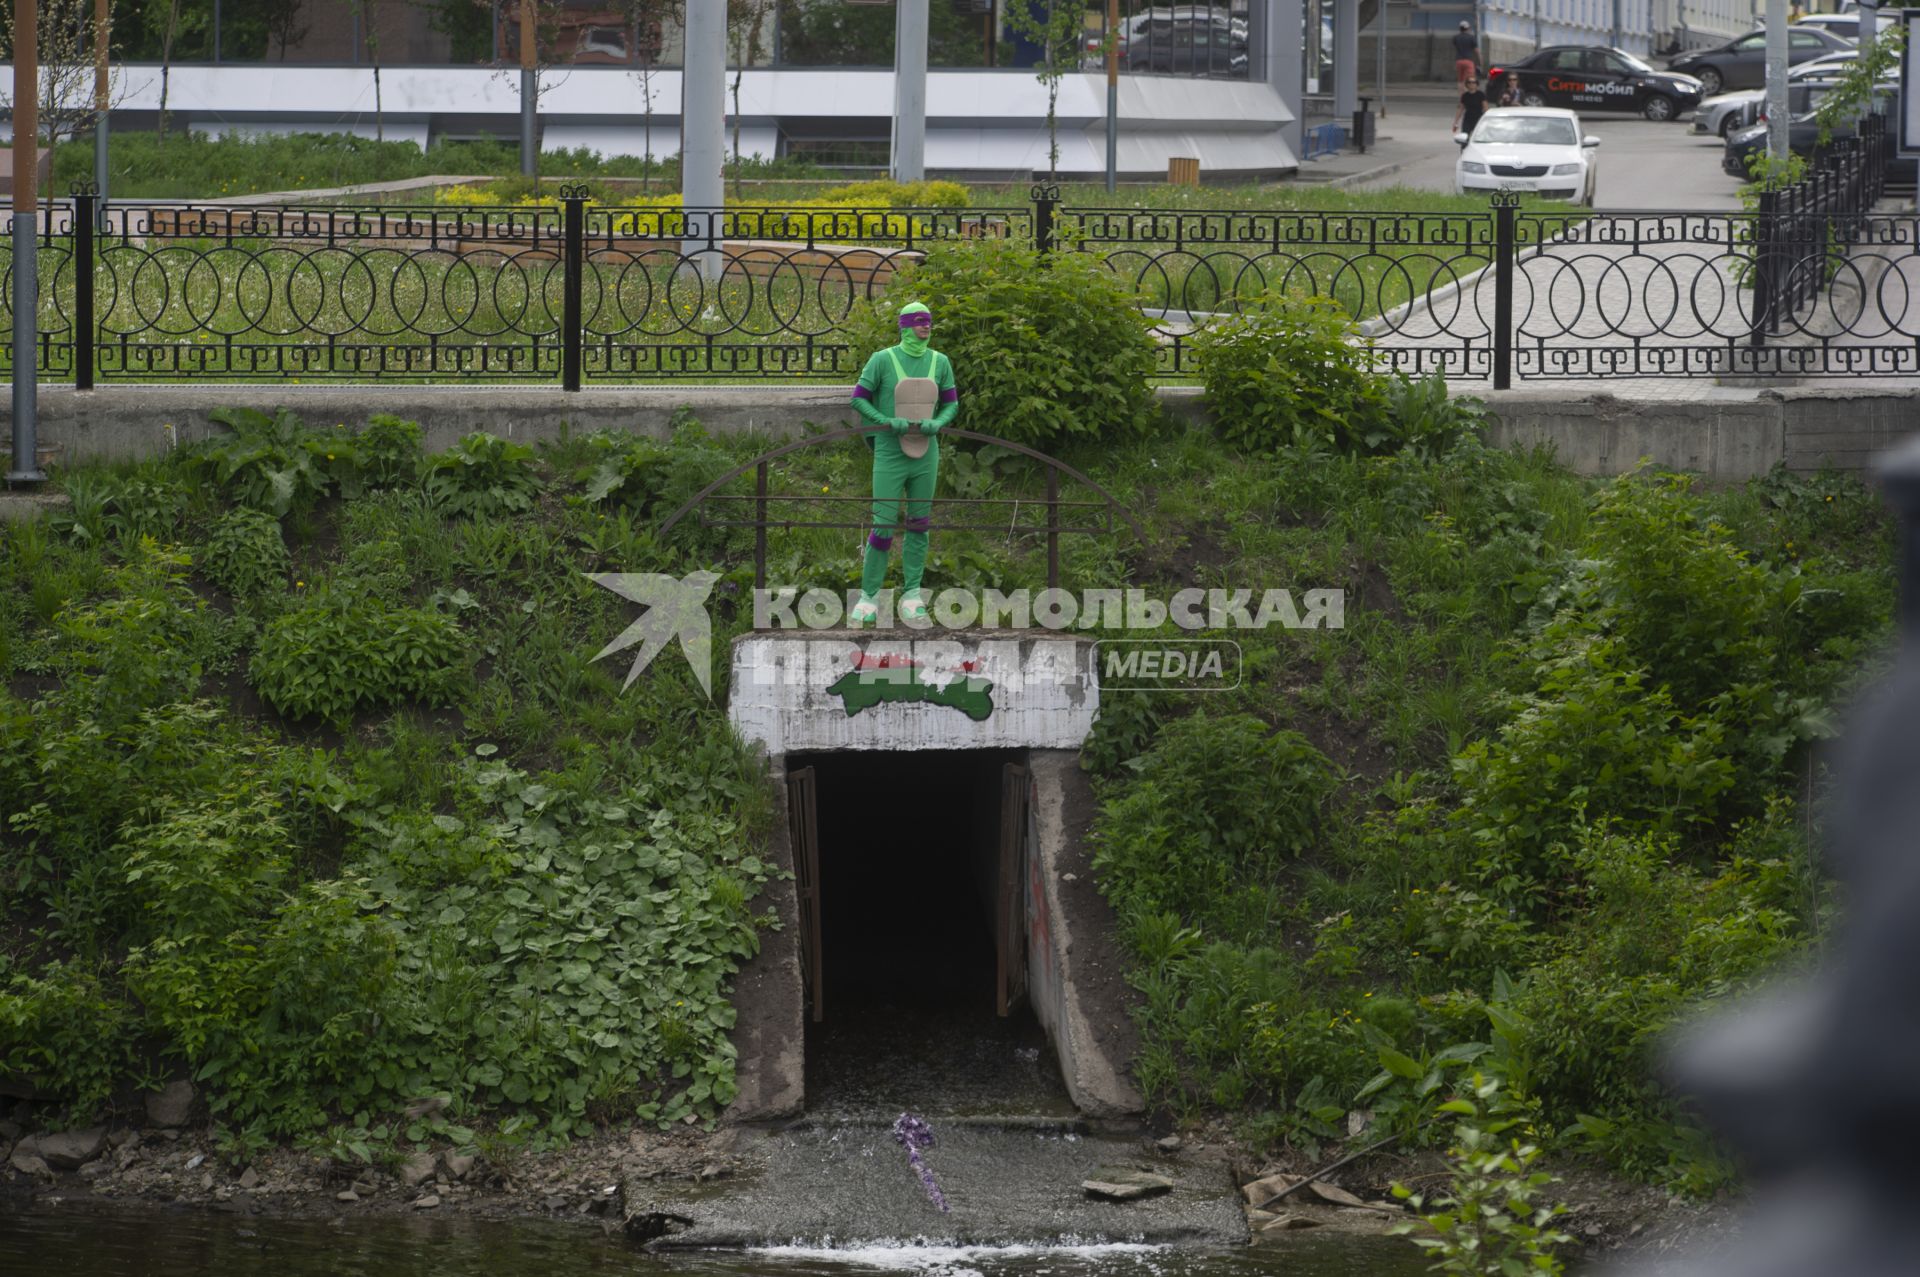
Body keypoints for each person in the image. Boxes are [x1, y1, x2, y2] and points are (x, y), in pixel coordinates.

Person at [846, 301, 959, 626]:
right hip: (889, 452)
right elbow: (858, 397)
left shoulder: (940, 362)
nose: (926, 326)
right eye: (919, 321)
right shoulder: (883, 359)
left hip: (927, 453)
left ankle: (912, 594)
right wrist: (883, 420)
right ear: (905, 325)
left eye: (929, 321)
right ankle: (869, 596)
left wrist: (938, 423)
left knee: (919, 524)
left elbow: (951, 404)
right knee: (882, 525)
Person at [1452, 21, 1480, 90]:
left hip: (1459, 61)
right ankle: (1466, 97)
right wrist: (1480, 61)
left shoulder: (1456, 37)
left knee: (1460, 80)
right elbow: (1477, 51)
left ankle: (1461, 97)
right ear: (1468, 28)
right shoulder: (1471, 38)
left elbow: (1456, 47)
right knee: (1468, 80)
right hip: (1468, 61)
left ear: (1460, 28)